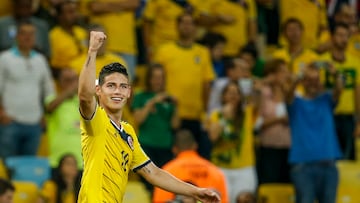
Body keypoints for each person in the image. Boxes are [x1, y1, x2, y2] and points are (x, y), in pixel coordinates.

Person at [77, 31, 220, 203]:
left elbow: (153, 172)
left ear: (129, 92)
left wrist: (195, 192)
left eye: (122, 87)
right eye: (111, 86)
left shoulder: (128, 132)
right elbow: (85, 96)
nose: (117, 91)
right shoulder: (96, 120)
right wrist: (92, 51)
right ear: (98, 90)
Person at [285, 63, 343, 203]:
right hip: (302, 166)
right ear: (303, 83)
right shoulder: (295, 103)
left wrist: (335, 74)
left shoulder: (326, 100)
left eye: (316, 80)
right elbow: (288, 92)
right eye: (310, 81)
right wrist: (300, 75)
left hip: (328, 164)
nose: (314, 84)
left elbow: (339, 88)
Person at [0, 20, 55, 159]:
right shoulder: (5, 58)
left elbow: (48, 89)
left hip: (34, 123)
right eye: (24, 33)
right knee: (7, 165)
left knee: (28, 167)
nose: (28, 37)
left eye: (31, 34)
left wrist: (45, 114)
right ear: (17, 36)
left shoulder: (41, 60)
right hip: (10, 121)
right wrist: (1, 112)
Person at [132, 63, 180, 193]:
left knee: (164, 185)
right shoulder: (141, 96)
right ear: (149, 79)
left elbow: (175, 125)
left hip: (165, 145)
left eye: (161, 77)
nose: (158, 81)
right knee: (148, 185)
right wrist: (152, 102)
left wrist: (176, 107)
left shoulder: (168, 99)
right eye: (155, 77)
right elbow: (138, 119)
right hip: (147, 146)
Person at [208, 81, 257, 203]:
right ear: (223, 96)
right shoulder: (216, 115)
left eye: (236, 93)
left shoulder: (248, 113)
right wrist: (225, 118)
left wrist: (257, 88)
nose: (233, 96)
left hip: (244, 168)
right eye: (229, 93)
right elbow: (213, 137)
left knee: (244, 199)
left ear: (241, 97)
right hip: (221, 168)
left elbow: (258, 101)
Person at [152, 129, 228, 203]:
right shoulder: (215, 171)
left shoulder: (167, 171)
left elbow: (160, 200)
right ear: (195, 146)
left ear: (174, 149)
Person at [45, 68, 82, 170]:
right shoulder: (52, 100)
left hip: (81, 160)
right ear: (59, 82)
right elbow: (49, 108)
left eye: (74, 79)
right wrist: (69, 92)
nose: (71, 83)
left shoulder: (84, 103)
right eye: (67, 80)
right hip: (58, 159)